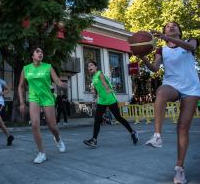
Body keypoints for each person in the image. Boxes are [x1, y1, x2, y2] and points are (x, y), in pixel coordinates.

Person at [140, 22, 200, 184]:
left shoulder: (190, 40)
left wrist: (165, 38)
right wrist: (143, 56)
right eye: (167, 26)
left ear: (180, 31)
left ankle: (179, 170)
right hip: (172, 85)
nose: (171, 27)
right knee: (160, 92)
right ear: (164, 31)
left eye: (174, 26)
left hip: (191, 88)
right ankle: (157, 136)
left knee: (182, 127)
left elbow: (190, 48)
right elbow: (154, 68)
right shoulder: (162, 49)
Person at [18, 46, 66, 164]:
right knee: (34, 125)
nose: (40, 54)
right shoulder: (26, 69)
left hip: (47, 97)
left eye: (41, 52)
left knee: (52, 125)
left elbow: (57, 81)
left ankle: (58, 138)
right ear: (32, 55)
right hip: (34, 97)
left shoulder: (48, 67)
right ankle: (41, 153)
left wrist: (62, 84)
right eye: (37, 52)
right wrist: (22, 102)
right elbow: (21, 86)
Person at [83, 61, 139, 148]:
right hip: (101, 100)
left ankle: (133, 132)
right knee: (97, 119)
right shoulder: (93, 78)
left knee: (118, 118)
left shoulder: (99, 73)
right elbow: (96, 89)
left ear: (96, 66)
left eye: (91, 65)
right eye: (88, 66)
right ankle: (94, 140)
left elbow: (104, 81)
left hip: (110, 99)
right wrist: (95, 93)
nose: (89, 67)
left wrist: (107, 88)